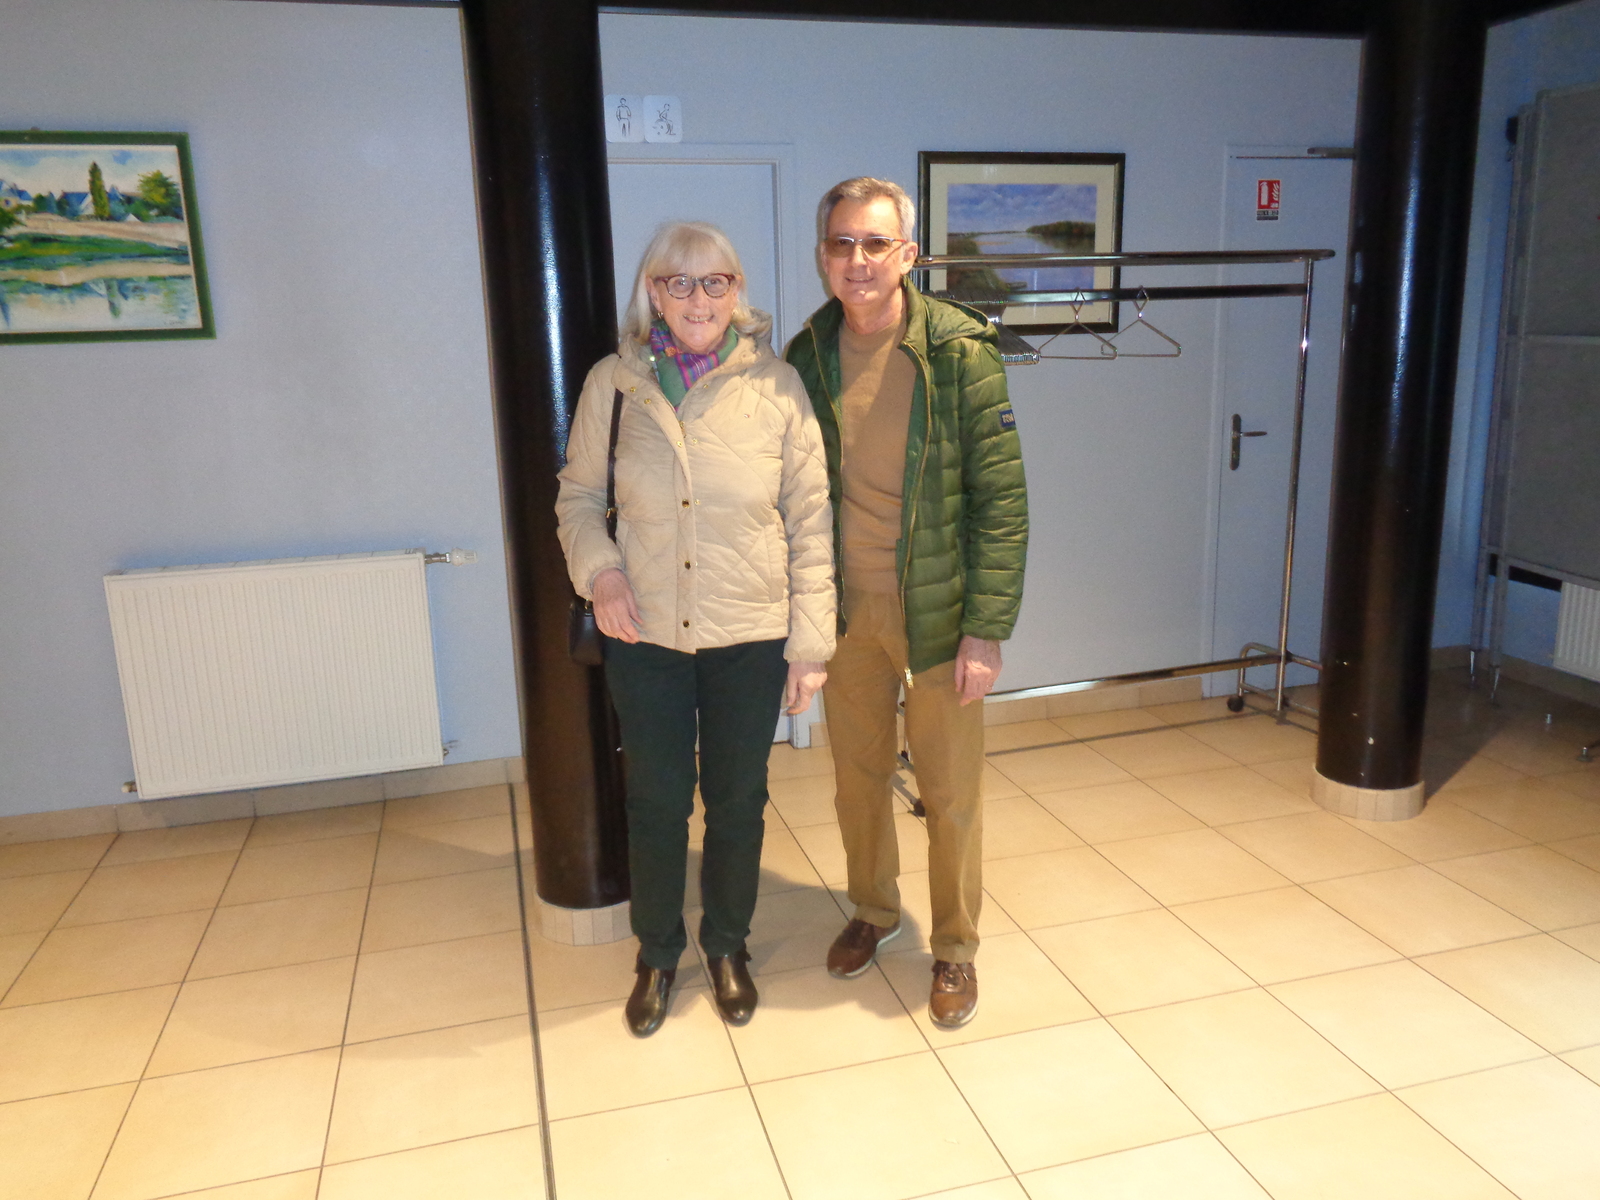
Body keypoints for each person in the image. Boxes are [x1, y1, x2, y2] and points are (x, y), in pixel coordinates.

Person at [556, 221, 835, 1038]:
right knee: (656, 802)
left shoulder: (778, 387)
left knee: (738, 801)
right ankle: (657, 953)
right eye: (679, 283)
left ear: (736, 291)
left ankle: (726, 945)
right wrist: (602, 573)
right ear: (654, 294)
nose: (699, 299)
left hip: (750, 635)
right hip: (645, 635)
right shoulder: (613, 384)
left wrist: (810, 644)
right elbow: (578, 499)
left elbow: (811, 518)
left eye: (715, 281)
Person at [785, 178, 1027, 1028]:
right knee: (856, 781)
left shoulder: (959, 351)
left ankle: (955, 946)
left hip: (937, 614)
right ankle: (873, 909)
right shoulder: (808, 354)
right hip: (845, 612)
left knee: (949, 792)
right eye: (841, 242)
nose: (857, 260)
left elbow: (1002, 502)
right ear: (823, 255)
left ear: (908, 255)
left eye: (875, 243)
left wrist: (985, 630)